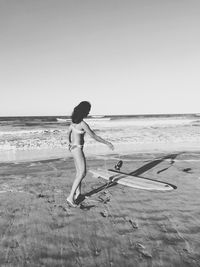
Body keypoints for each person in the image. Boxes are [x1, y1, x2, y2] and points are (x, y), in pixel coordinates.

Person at [66, 101, 114, 207]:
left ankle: (78, 194)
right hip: (78, 149)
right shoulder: (82, 123)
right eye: (88, 111)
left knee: (78, 172)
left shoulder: (73, 122)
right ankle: (70, 197)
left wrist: (69, 143)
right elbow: (94, 136)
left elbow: (68, 132)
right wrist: (107, 143)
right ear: (84, 111)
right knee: (82, 173)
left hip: (74, 149)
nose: (88, 113)